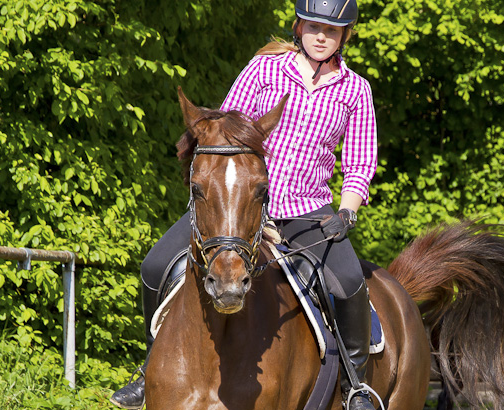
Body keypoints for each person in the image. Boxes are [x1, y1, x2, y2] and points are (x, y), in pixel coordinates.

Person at [110, 0, 378, 409]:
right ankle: (150, 370)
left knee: (348, 284)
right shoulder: (263, 70)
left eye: (332, 30)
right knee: (154, 265)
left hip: (308, 209)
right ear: (299, 27)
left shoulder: (355, 90)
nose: (322, 36)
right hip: (237, 202)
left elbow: (359, 163)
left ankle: (355, 386)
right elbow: (225, 125)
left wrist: (347, 210)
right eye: (314, 26)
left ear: (344, 36)